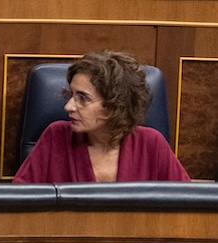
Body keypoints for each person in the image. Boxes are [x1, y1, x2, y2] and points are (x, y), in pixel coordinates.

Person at [13, 50, 190, 183]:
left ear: (116, 104)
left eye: (83, 98)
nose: (69, 107)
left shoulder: (151, 144)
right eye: (70, 95)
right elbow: (18, 204)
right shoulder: (55, 136)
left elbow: (185, 206)